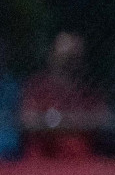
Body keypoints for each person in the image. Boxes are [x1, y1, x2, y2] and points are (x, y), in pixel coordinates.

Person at [20, 31, 108, 159]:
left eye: (75, 57)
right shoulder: (37, 88)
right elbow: (29, 121)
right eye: (65, 57)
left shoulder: (89, 93)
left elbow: (102, 121)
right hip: (43, 165)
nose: (69, 63)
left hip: (82, 164)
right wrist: (72, 121)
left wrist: (54, 120)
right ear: (52, 56)